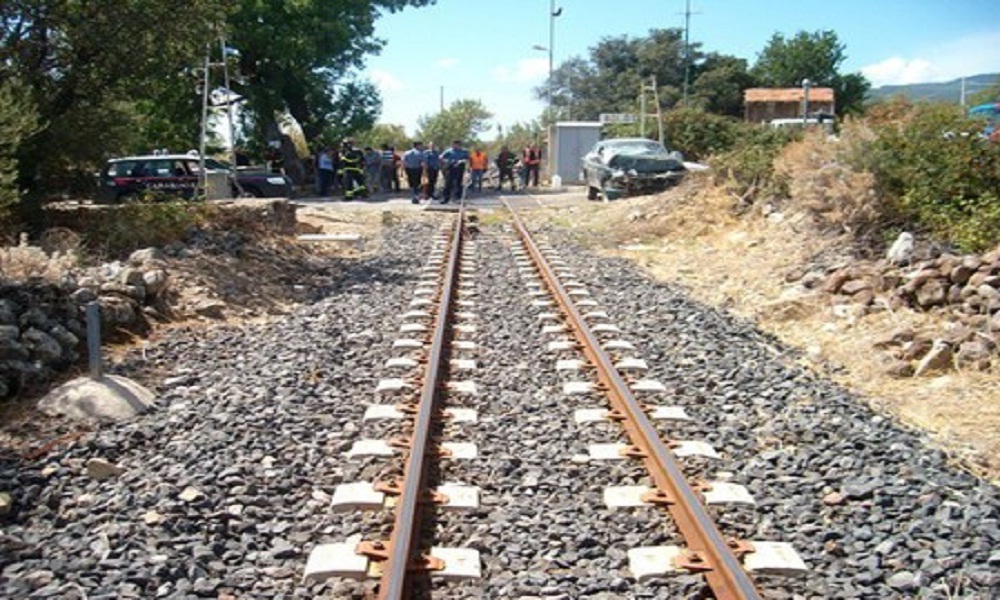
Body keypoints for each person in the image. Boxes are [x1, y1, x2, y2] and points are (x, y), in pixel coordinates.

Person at [439, 139, 470, 204]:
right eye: (454, 145)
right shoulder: (449, 151)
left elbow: (468, 159)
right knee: (448, 183)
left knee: (458, 183)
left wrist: (462, 161)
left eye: (458, 145)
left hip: (459, 168)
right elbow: (441, 157)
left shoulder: (464, 151)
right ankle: (445, 198)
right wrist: (447, 161)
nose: (456, 146)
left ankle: (456, 198)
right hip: (450, 167)